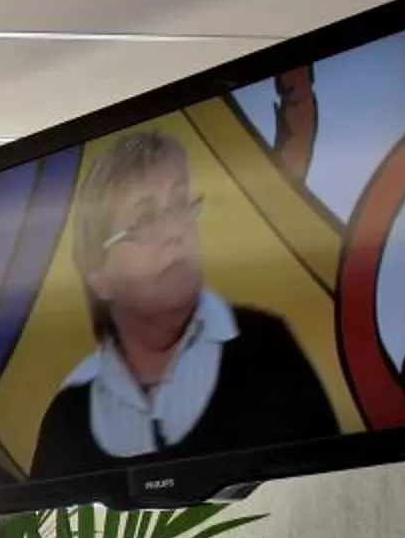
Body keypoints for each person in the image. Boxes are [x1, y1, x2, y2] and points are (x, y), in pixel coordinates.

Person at [29, 127, 341, 479]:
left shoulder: (267, 349)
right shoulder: (69, 417)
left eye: (180, 206)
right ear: (99, 277)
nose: (177, 230)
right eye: (145, 220)